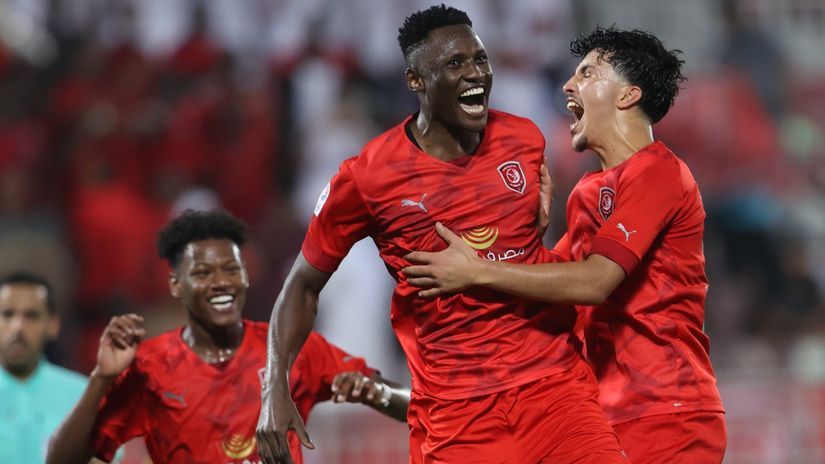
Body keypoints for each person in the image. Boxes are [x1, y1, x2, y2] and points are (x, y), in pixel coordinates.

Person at [256, 6, 627, 464]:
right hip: (458, 415)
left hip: (554, 392)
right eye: (455, 63)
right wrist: (274, 385)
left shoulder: (524, 139)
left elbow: (531, 242)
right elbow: (302, 286)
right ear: (416, 81)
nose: (476, 74)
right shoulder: (369, 177)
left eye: (480, 59)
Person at [404, 27, 727, 463]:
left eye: (588, 73)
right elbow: (556, 296)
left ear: (628, 96)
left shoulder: (659, 173)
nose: (568, 85)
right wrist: (525, 232)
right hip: (603, 412)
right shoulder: (588, 191)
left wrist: (477, 269)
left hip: (667, 410)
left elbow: (594, 282)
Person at [47, 209, 409, 464]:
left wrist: (375, 392)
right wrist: (101, 379)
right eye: (203, 272)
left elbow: (413, 406)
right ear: (177, 285)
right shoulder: (150, 368)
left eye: (231, 269)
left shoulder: (291, 348)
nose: (221, 282)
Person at [0, 272, 89, 464]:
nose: (18, 327)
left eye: (31, 316)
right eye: (7, 314)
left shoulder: (82, 396)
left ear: (53, 325)